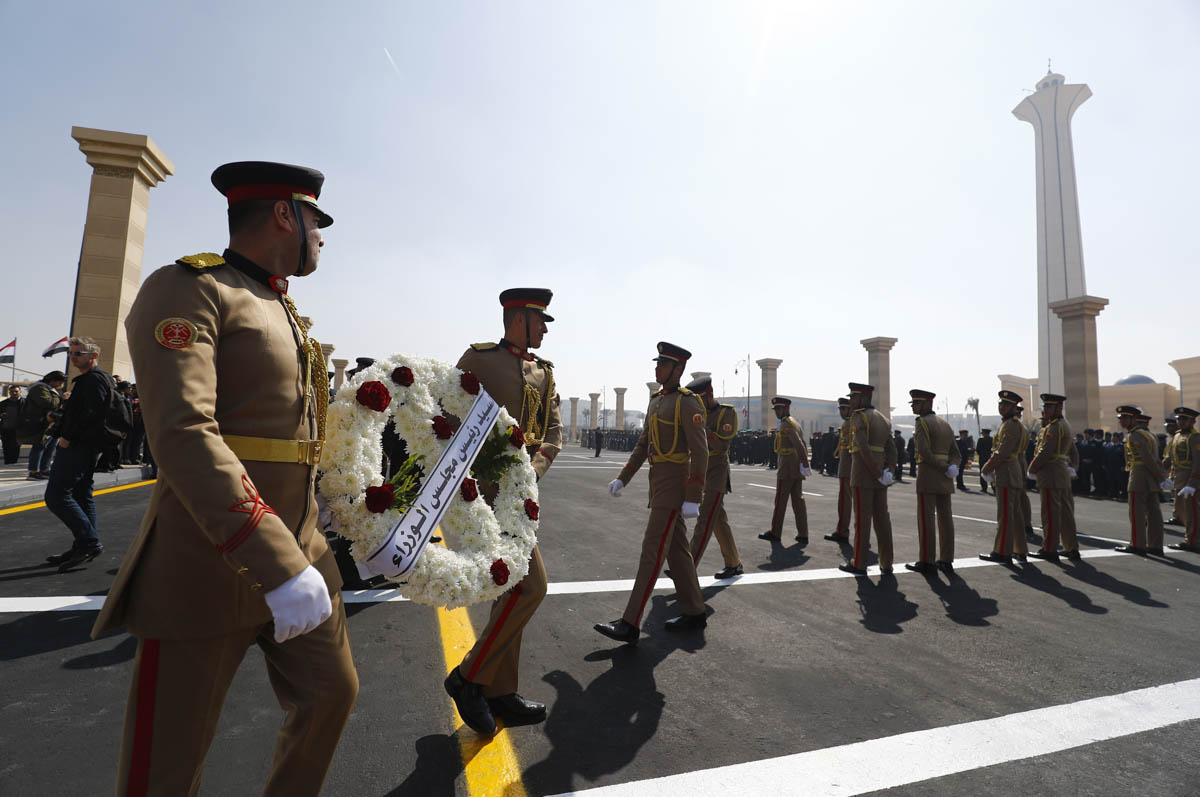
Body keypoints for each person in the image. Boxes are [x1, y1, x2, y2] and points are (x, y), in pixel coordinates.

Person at [91, 161, 357, 796]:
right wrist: (279, 564)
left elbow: (296, 439)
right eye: (316, 220)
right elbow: (183, 433)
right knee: (167, 765)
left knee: (331, 696)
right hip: (209, 559)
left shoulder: (281, 306)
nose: (322, 236)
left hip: (303, 549)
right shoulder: (190, 289)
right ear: (285, 215)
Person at [444, 287, 561, 735]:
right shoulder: (480, 359)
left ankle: (498, 690)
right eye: (540, 320)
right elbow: (448, 413)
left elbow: (553, 429)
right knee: (530, 588)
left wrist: (533, 469)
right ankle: (469, 677)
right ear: (518, 318)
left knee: (513, 589)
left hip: (523, 494)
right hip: (488, 494)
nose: (545, 329)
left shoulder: (544, 372)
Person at [597, 342, 708, 645]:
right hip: (658, 481)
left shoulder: (688, 402)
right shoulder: (657, 401)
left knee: (652, 551)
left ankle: (630, 622)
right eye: (657, 363)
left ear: (678, 369)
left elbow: (700, 451)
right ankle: (695, 610)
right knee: (676, 551)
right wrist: (623, 478)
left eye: (663, 364)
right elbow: (644, 444)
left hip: (675, 484)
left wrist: (693, 496)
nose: (657, 368)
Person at [43, 336, 115, 571]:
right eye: (71, 353)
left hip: (78, 445)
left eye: (78, 353)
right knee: (82, 494)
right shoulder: (94, 379)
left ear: (93, 355)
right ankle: (82, 544)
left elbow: (91, 415)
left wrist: (68, 436)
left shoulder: (93, 380)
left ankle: (89, 542)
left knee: (56, 496)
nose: (73, 358)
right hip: (86, 444)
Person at [684, 376, 743, 579]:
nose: (698, 405)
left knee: (705, 519)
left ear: (710, 395)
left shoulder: (726, 413)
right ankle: (734, 563)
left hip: (717, 471)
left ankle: (687, 566)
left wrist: (701, 428)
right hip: (700, 470)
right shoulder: (697, 414)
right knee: (718, 520)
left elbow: (721, 446)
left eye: (701, 400)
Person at [839, 382, 895, 576]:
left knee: (862, 521)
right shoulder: (883, 419)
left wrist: (875, 471)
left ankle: (860, 563)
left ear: (863, 398)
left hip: (864, 474)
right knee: (882, 520)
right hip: (880, 475)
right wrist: (888, 469)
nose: (851, 401)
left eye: (854, 397)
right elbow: (891, 448)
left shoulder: (859, 417)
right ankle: (887, 562)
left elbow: (862, 446)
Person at [905, 389, 959, 574]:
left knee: (926, 518)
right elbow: (955, 453)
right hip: (945, 477)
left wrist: (942, 467)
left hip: (929, 474)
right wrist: (951, 466)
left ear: (927, 404)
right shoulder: (945, 424)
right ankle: (946, 559)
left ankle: (927, 560)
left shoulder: (922, 423)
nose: (914, 407)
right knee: (945, 519)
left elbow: (924, 452)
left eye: (916, 403)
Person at [980, 391, 1035, 562]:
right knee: (1016, 515)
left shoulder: (1011, 425)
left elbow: (1003, 450)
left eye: (1006, 405)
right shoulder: (1012, 424)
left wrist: (987, 467)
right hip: (1013, 471)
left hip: (1007, 472)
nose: (1002, 407)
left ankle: (1003, 552)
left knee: (1005, 514)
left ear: (1014, 408)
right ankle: (1020, 549)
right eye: (1000, 404)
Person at [1028, 394, 1080, 560]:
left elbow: (1046, 451)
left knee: (1050, 512)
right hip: (1061, 472)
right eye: (1045, 407)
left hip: (1050, 472)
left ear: (1058, 408)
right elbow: (1073, 452)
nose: (1045, 410)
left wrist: (1032, 467)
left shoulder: (1055, 427)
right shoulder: (1064, 425)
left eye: (1049, 407)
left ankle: (1049, 548)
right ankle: (1071, 547)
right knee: (1065, 512)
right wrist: (1073, 467)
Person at [1114, 407, 1166, 556]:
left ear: (1133, 419)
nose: (1121, 421)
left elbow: (1146, 458)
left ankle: (1138, 544)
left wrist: (1160, 476)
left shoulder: (1135, 435)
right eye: (1120, 418)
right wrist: (1159, 476)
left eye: (1125, 418)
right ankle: (1156, 545)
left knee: (1137, 513)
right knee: (1154, 513)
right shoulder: (1149, 435)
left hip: (1139, 477)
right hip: (1150, 479)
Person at [759, 397, 810, 544]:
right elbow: (803, 443)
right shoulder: (795, 422)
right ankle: (803, 533)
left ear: (786, 409)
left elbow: (799, 444)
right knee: (798, 501)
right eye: (775, 410)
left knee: (781, 501)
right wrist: (803, 463)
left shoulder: (786, 425)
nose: (776, 412)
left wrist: (805, 463)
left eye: (779, 409)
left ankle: (776, 532)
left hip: (787, 468)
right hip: (795, 468)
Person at [18, 370, 65, 479]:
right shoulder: (39, 388)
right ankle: (34, 471)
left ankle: (45, 469)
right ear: (54, 381)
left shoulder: (50, 389)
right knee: (40, 446)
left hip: (50, 422)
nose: (61, 385)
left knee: (50, 446)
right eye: (60, 382)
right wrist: (61, 398)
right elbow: (47, 403)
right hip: (40, 422)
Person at [1167, 407, 1200, 551]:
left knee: (1192, 513)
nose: (1180, 421)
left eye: (1184, 419)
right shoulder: (1177, 436)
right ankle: (1190, 538)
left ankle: (1193, 541)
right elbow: (1171, 458)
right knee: (1184, 513)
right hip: (1179, 480)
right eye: (1179, 418)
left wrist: (1192, 483)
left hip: (1190, 482)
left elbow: (1198, 462)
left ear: (1192, 421)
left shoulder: (1195, 438)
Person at [825, 398, 854, 542]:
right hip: (848, 468)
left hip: (848, 469)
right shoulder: (850, 423)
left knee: (844, 501)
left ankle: (842, 531)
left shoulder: (850, 424)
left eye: (843, 409)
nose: (841, 412)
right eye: (840, 409)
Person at [0, 385, 22, 463]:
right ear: (9, 393)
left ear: (20, 392)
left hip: (18, 429)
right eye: (12, 392)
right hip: (6, 429)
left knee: (15, 446)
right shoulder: (3, 403)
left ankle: (13, 462)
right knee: (6, 446)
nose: (14, 393)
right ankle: (7, 461)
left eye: (16, 391)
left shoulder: (25, 403)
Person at [976, 428, 993, 493]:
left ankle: (984, 488)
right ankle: (993, 487)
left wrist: (981, 454)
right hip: (990, 458)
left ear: (983, 433)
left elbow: (978, 449)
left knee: (983, 472)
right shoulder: (992, 439)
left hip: (982, 458)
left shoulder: (980, 439)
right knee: (991, 472)